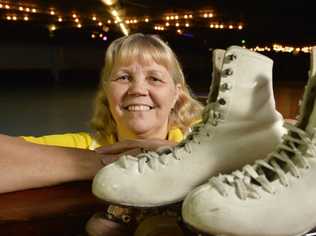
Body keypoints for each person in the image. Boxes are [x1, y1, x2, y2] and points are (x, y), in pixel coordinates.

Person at [0, 33, 204, 235]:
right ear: (107, 91)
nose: (138, 89)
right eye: (124, 77)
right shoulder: (86, 146)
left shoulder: (203, 138)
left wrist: (179, 158)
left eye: (155, 78)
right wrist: (115, 162)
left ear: (177, 94)